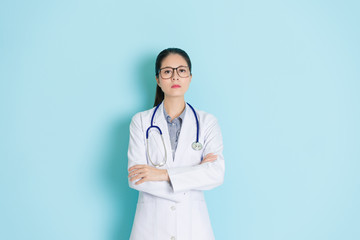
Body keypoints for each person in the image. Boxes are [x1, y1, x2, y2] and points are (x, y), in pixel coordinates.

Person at [127, 48, 225, 240]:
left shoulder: (207, 122)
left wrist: (162, 174)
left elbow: (216, 174)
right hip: (150, 228)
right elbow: (136, 178)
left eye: (181, 70)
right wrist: (195, 177)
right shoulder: (141, 122)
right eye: (167, 71)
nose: (175, 77)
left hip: (194, 228)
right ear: (158, 79)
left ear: (190, 76)